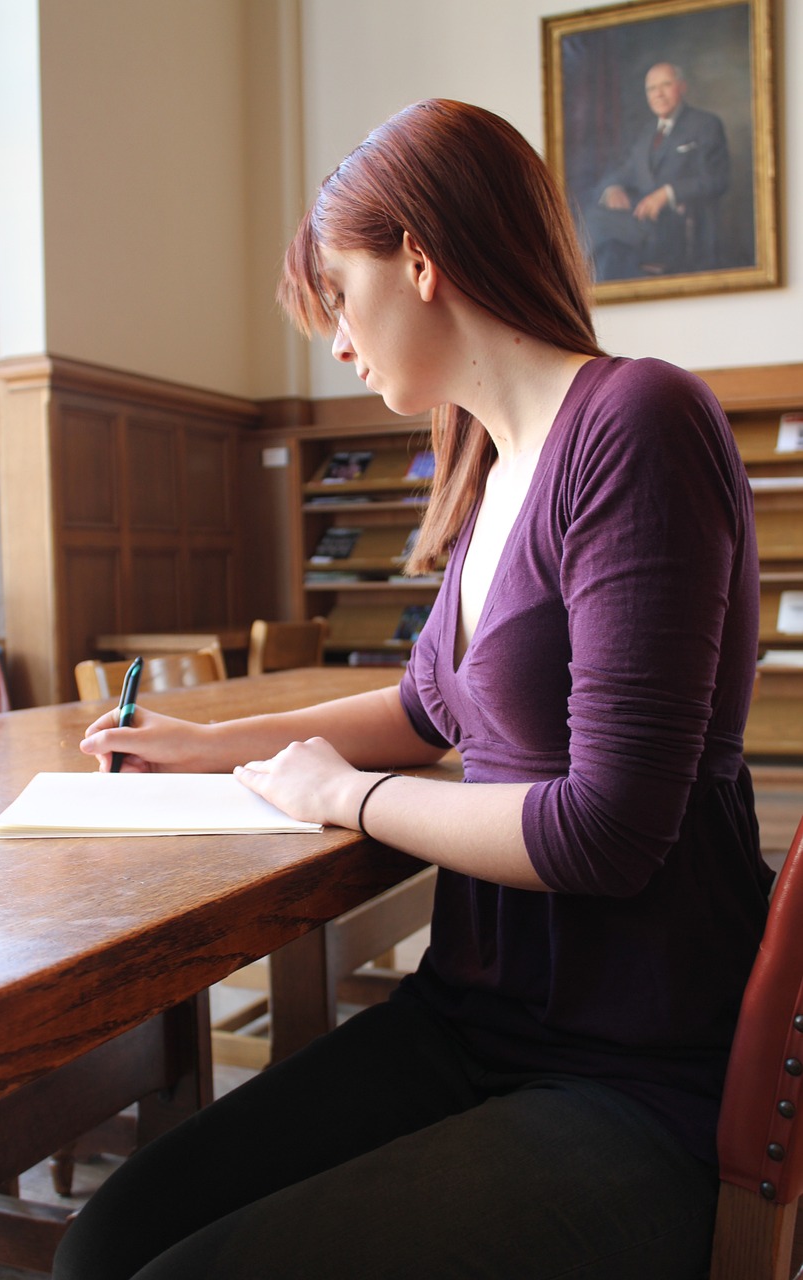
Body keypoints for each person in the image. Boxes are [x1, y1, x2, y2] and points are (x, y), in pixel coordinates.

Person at [53, 98, 772, 1280]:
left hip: (635, 1059)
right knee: (103, 1246)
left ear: (421, 260)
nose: (334, 340)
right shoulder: (492, 469)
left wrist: (348, 798)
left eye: (338, 295)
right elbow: (425, 709)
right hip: (477, 1011)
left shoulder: (638, 420)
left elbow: (607, 831)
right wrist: (212, 742)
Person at [585, 63, 730, 280]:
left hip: (680, 225)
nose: (658, 94)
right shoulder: (646, 133)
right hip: (641, 224)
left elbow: (716, 179)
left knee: (594, 224)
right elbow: (625, 170)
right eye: (651, 89)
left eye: (666, 85)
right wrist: (613, 187)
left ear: (682, 87)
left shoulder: (705, 124)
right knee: (595, 229)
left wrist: (668, 193)